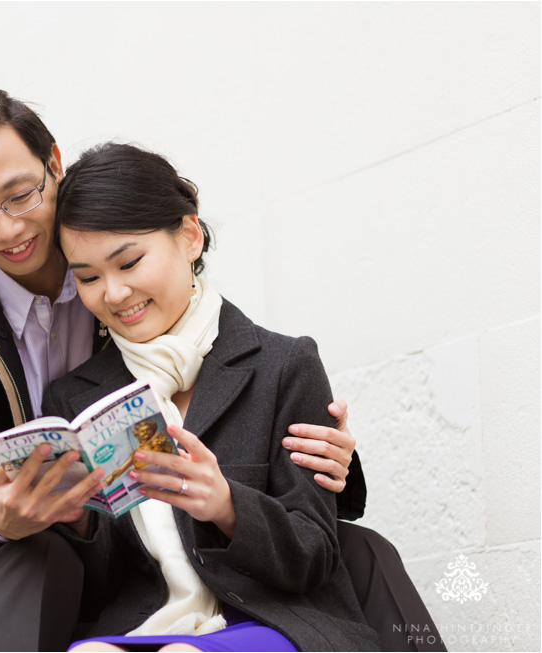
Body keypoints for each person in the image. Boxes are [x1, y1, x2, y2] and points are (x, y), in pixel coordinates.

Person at [0, 88, 365, 653]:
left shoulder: (125, 266)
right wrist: (3, 514)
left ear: (54, 165)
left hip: (243, 597)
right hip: (28, 554)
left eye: (20, 196)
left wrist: (328, 460)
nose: (5, 230)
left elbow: (237, 384)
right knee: (32, 553)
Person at [43, 142, 379, 651]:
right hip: (143, 624)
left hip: (275, 621)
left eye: (129, 262)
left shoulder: (284, 365)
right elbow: (99, 582)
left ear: (190, 237)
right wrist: (75, 517)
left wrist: (226, 505)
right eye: (87, 277)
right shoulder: (78, 398)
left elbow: (314, 553)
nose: (112, 294)